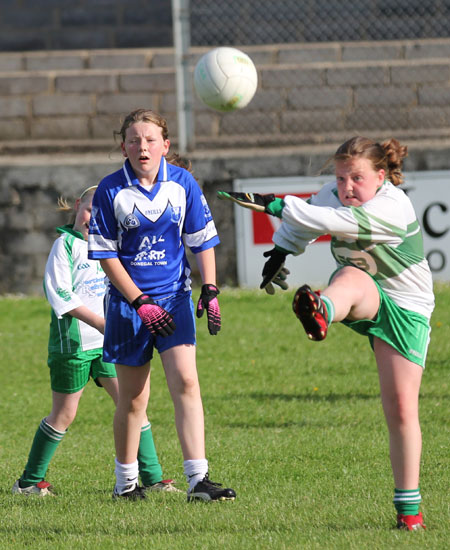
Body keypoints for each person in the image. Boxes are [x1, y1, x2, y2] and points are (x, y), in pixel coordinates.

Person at [218, 136, 433, 530]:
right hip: (364, 292)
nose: (346, 187)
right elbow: (307, 222)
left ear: (381, 176)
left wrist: (282, 205)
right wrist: (281, 250)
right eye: (340, 177)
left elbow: (334, 222)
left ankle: (409, 514)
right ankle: (322, 311)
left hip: (408, 307)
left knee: (401, 408)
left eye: (356, 178)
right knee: (351, 275)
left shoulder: (393, 205)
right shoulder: (330, 196)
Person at [87, 108, 236, 501]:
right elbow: (105, 255)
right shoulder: (110, 189)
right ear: (123, 146)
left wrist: (211, 289)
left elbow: (202, 239)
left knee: (186, 381)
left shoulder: (182, 182)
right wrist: (139, 301)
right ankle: (126, 484)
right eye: (134, 140)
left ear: (165, 145)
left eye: (151, 140)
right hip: (128, 306)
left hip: (174, 298)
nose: (143, 147)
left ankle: (198, 480)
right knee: (134, 398)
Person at [13, 186, 179, 497]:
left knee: (132, 404)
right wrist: (102, 323)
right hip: (73, 347)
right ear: (78, 206)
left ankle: (153, 479)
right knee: (64, 414)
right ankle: (28, 482)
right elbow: (60, 295)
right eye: (91, 210)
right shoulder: (64, 246)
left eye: (104, 215)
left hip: (108, 345)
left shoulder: (110, 249)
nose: (94, 218)